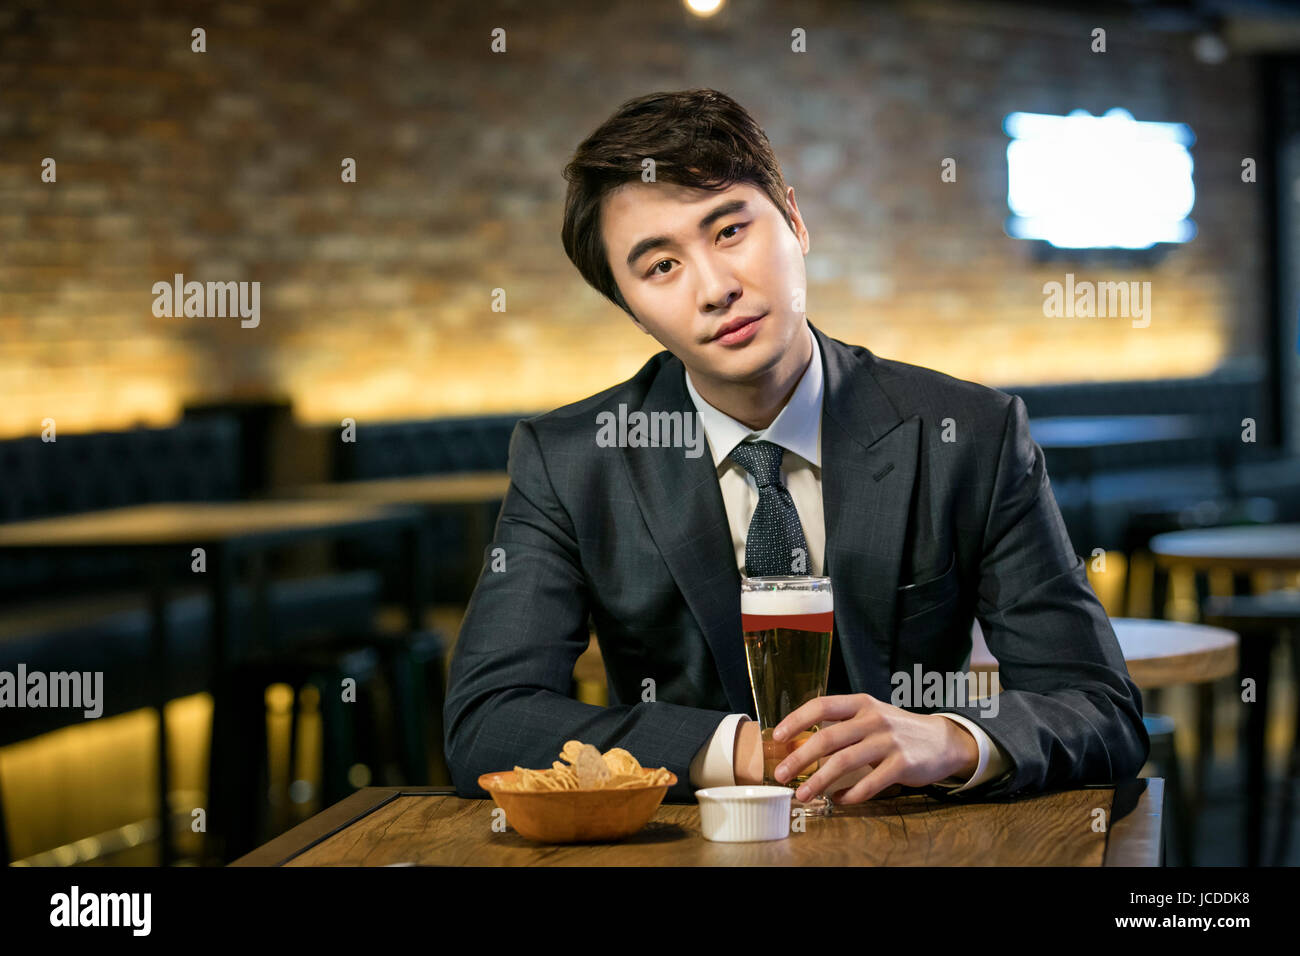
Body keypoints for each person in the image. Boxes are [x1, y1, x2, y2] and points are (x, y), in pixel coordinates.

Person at [443, 88, 1148, 805]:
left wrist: (951, 739)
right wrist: (744, 750)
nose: (716, 288)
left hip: (916, 841)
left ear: (795, 220)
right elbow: (488, 723)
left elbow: (1101, 708)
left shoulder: (969, 435)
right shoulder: (572, 462)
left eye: (729, 231)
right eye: (661, 267)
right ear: (630, 308)